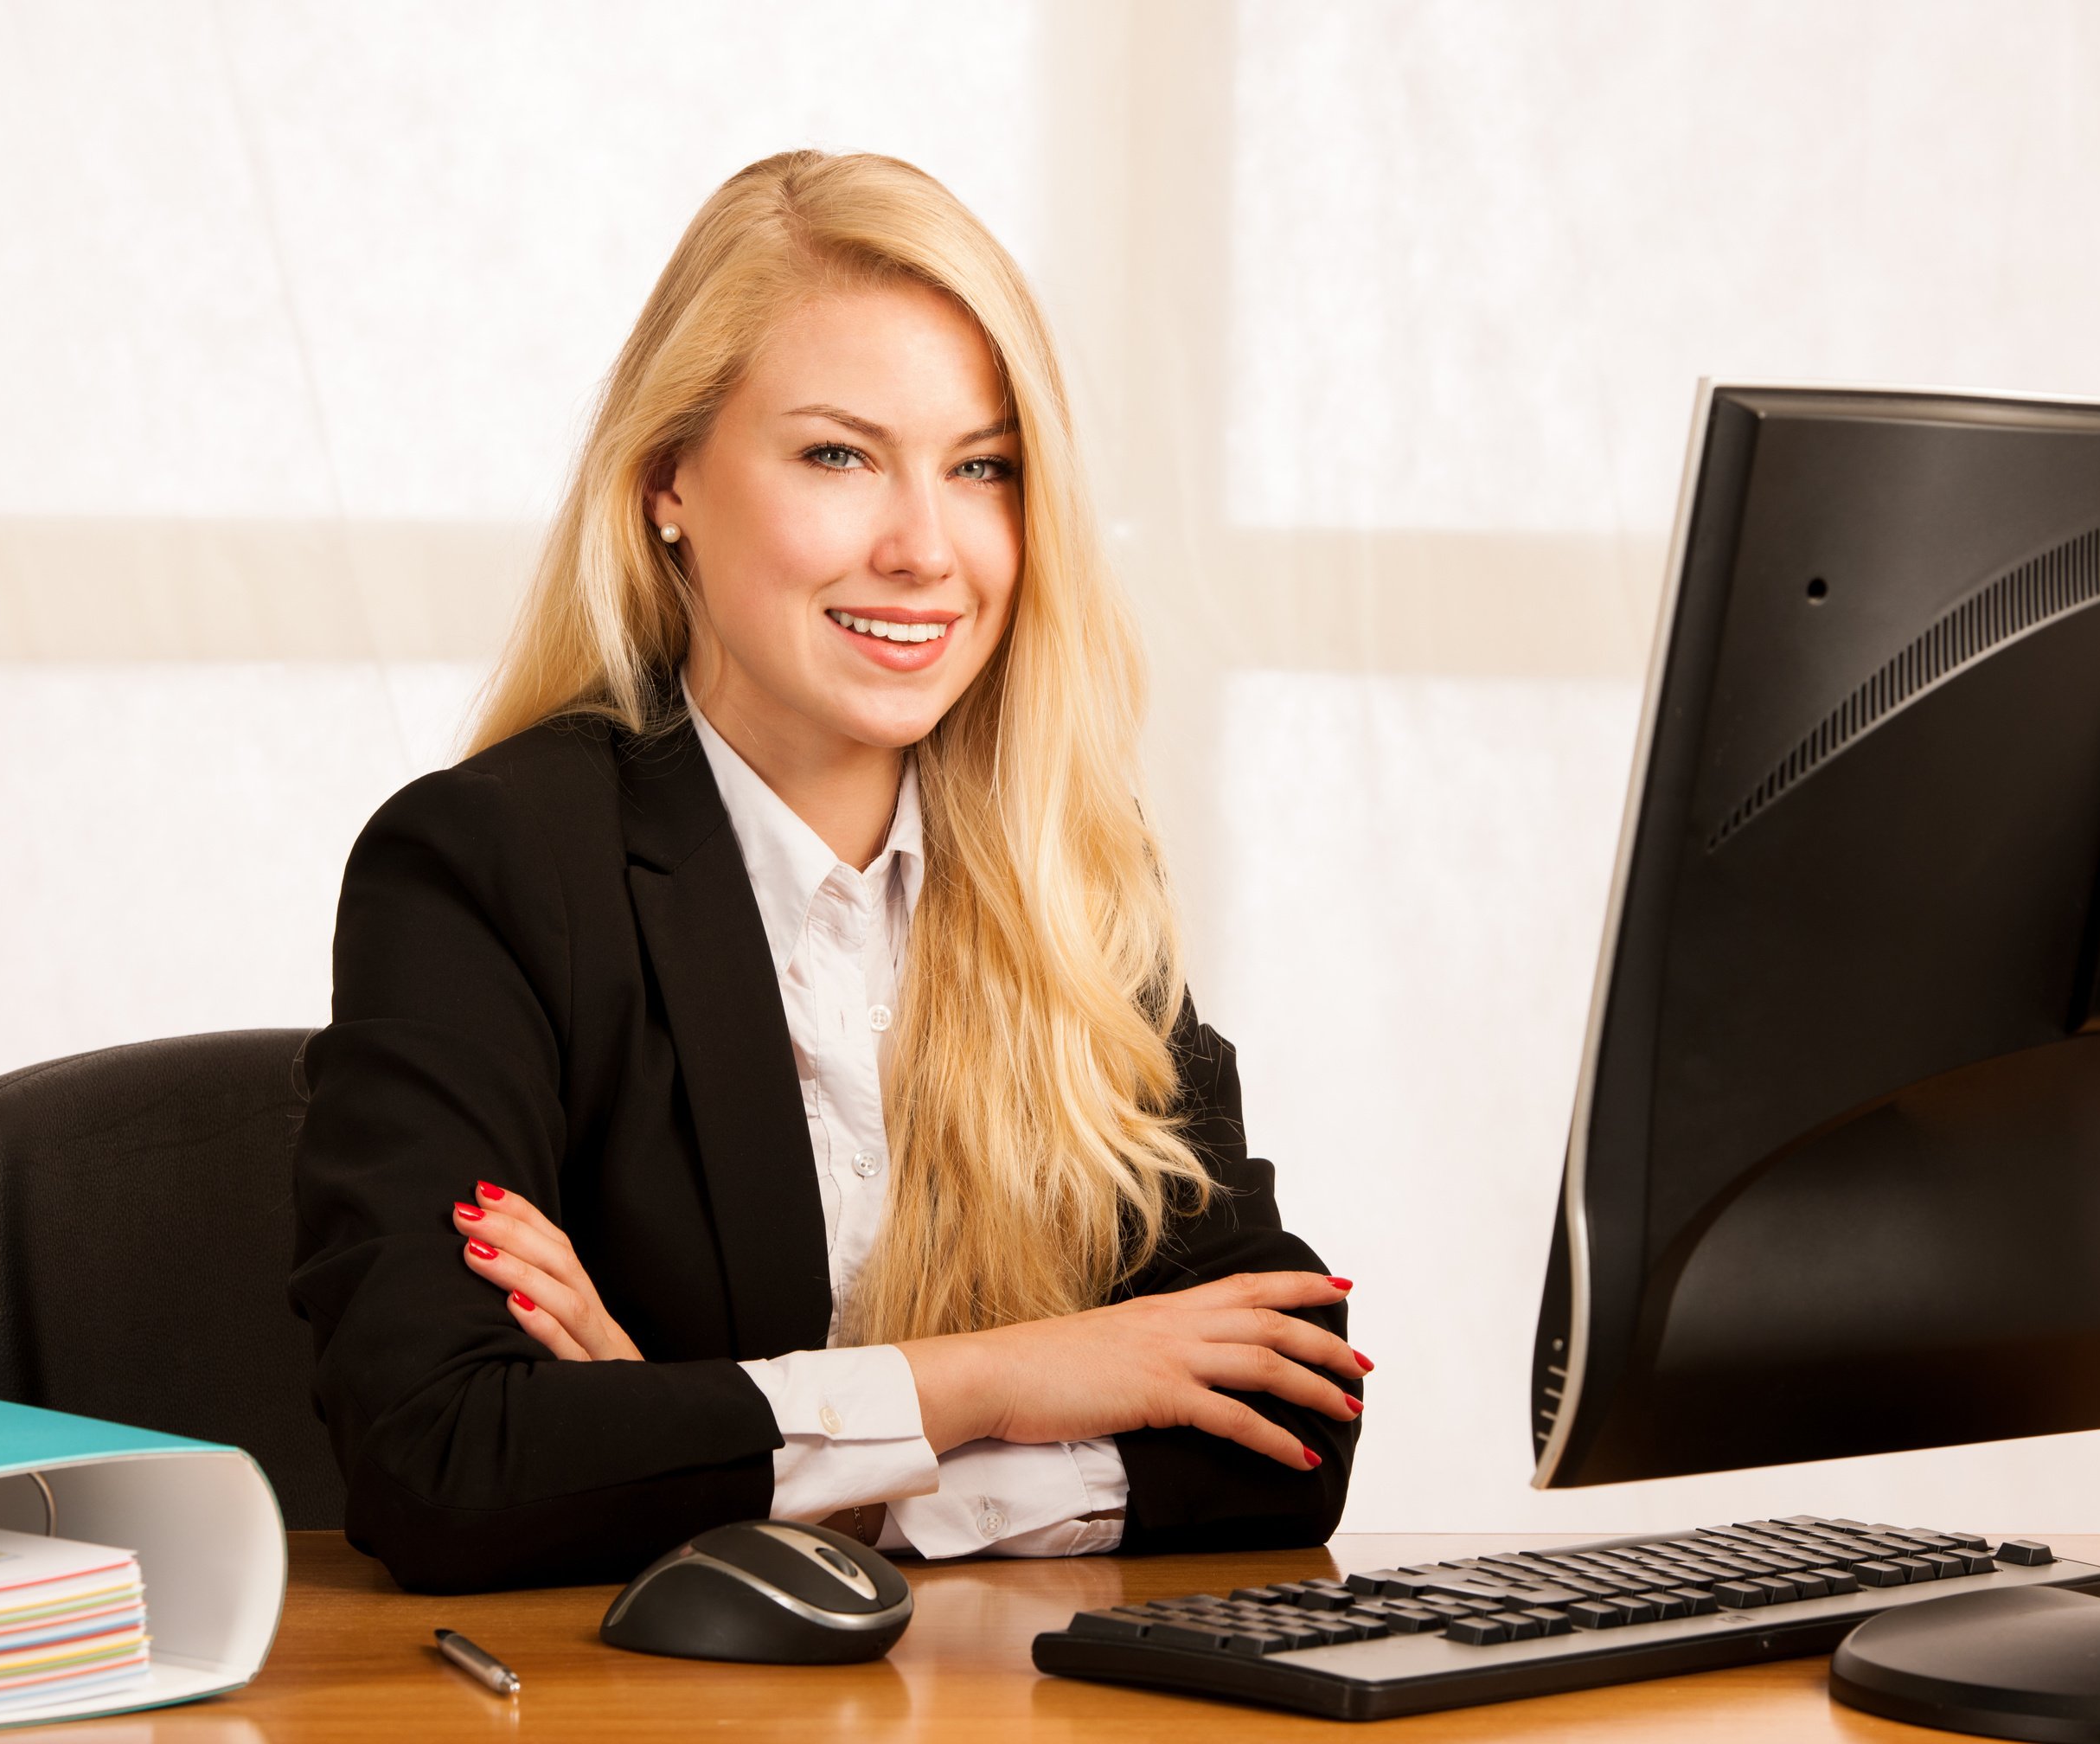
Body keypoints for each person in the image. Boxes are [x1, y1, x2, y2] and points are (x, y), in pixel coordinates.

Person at [290, 150, 1365, 1593]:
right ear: (668, 480)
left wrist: (736, 1459)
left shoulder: (1069, 873)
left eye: (982, 467)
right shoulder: (487, 867)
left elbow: (1286, 1427)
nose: (925, 548)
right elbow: (446, 1460)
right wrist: (1005, 1380)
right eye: (839, 455)